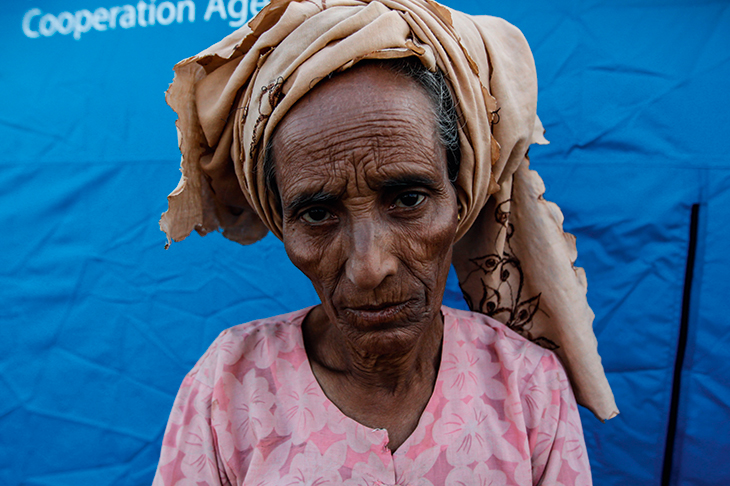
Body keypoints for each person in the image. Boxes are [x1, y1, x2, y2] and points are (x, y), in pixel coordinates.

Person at [153, 0, 618, 484]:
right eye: (316, 213)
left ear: (460, 199)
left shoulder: (528, 388)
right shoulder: (228, 389)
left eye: (408, 199)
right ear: (281, 222)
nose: (369, 267)